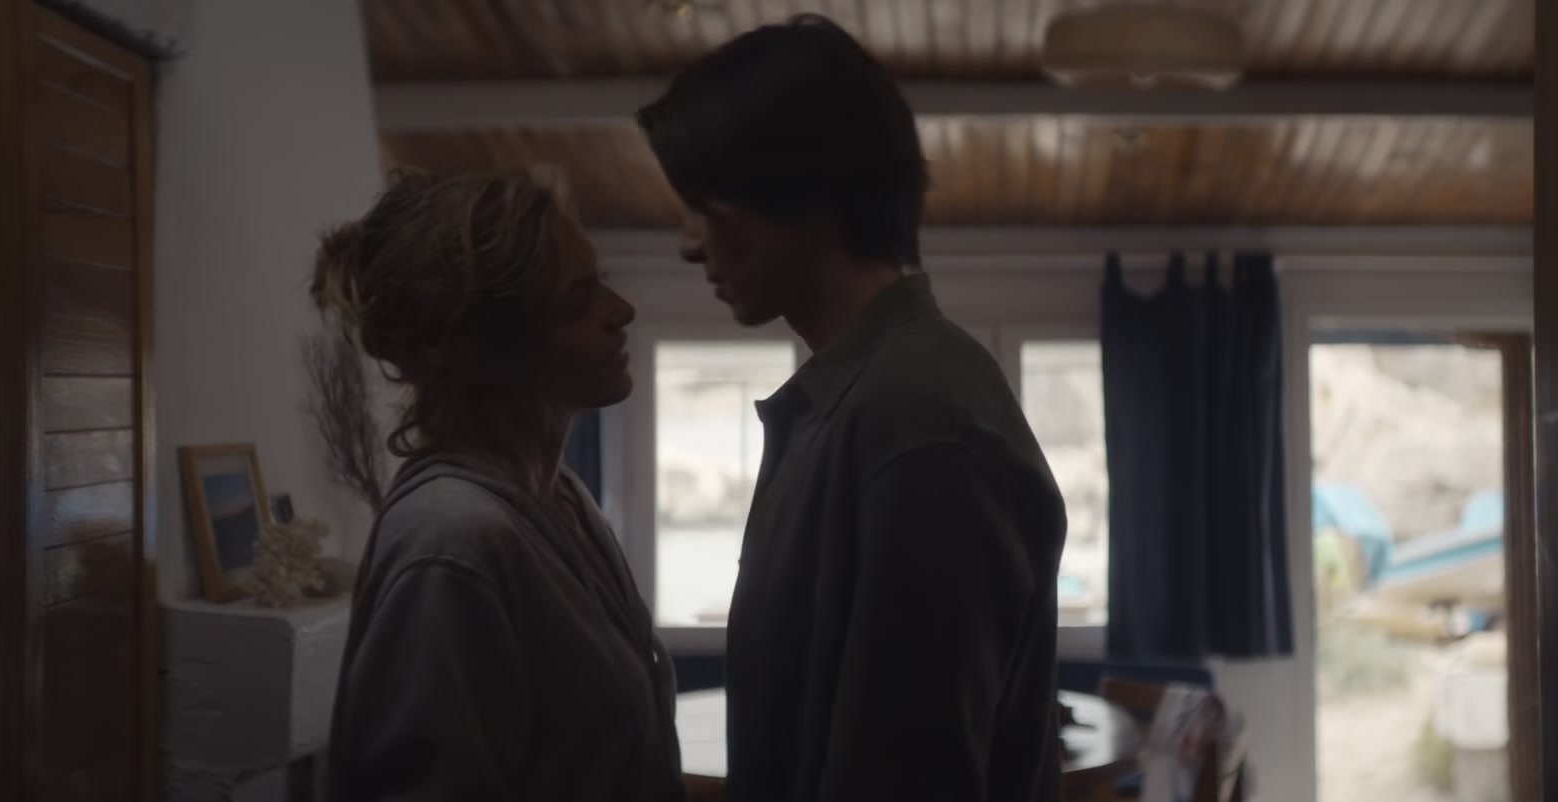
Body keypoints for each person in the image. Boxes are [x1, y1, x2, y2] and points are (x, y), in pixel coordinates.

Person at [638, 15, 1068, 802]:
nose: (688, 243)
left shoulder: (918, 425)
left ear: (801, 194)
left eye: (704, 204)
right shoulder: (859, 404)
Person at [315, 169, 683, 801]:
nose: (621, 312)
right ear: (492, 348)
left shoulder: (563, 499)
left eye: (601, 281)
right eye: (579, 302)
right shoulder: (451, 546)